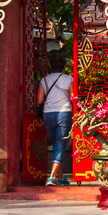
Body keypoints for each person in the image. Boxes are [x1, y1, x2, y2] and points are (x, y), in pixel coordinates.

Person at [38, 53, 75, 186]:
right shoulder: (69, 79)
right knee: (60, 145)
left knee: (56, 144)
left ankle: (61, 176)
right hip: (64, 113)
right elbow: (73, 97)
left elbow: (39, 100)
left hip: (48, 114)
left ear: (50, 66)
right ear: (64, 67)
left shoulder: (44, 80)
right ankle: (52, 177)